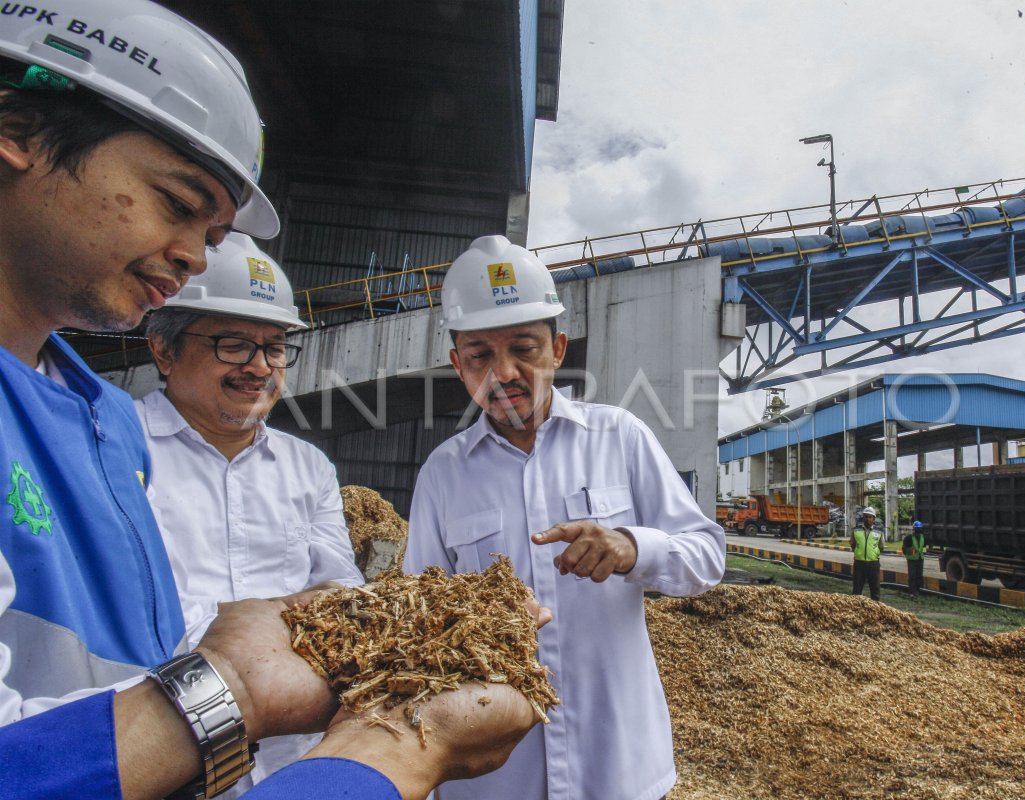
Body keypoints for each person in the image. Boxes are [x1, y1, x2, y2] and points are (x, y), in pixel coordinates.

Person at [0, 3, 539, 797]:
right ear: (20, 133)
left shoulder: (102, 424)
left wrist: (246, 690)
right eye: (178, 203)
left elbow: (142, 665)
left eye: (211, 238)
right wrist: (379, 748)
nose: (187, 255)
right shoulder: (127, 434)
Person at [406, 234, 727, 800]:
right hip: (495, 778)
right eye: (480, 354)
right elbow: (418, 619)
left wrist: (633, 547)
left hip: (616, 766)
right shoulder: (442, 475)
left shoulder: (619, 438)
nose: (503, 372)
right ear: (459, 366)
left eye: (523, 349)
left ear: (557, 349)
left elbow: (706, 555)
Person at [139, 234, 365, 793]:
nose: (259, 367)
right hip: (160, 741)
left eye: (276, 346)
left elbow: (340, 588)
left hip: (291, 753)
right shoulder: (118, 445)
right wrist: (265, 631)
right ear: (163, 349)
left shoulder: (307, 465)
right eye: (233, 344)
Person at [851, 506, 883, 601]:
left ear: (874, 519)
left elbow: (881, 546)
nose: (867, 519)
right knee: (857, 589)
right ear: (863, 517)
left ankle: (875, 610)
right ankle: (855, 610)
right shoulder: (856, 530)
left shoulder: (879, 532)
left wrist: (873, 554)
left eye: (870, 517)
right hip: (859, 563)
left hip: (873, 563)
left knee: (875, 590)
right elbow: (853, 544)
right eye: (866, 516)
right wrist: (858, 553)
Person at [901, 520, 926, 597]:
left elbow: (923, 547)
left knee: (919, 575)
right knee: (912, 576)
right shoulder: (909, 538)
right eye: (918, 528)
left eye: (920, 528)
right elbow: (904, 548)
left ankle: (917, 591)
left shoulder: (922, 537)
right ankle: (912, 592)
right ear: (915, 529)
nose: (919, 530)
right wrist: (908, 556)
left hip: (920, 559)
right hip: (912, 560)